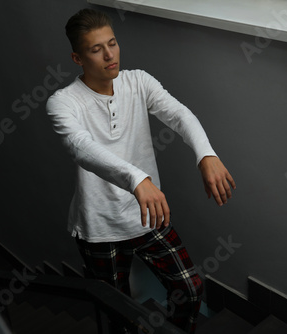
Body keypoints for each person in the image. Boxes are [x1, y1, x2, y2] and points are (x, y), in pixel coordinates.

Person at [46, 8, 235, 334]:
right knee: (116, 313)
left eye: (113, 43)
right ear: (77, 57)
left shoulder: (138, 81)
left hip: (149, 215)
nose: (109, 55)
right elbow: (81, 148)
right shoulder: (63, 102)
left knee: (190, 289)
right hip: (100, 228)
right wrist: (138, 179)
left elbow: (179, 115)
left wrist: (206, 155)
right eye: (96, 49)